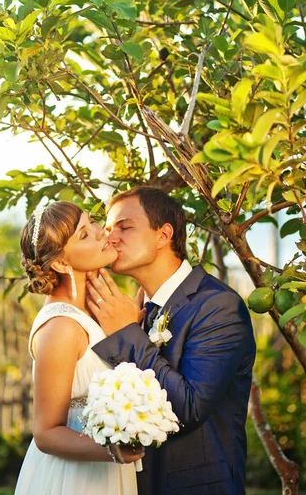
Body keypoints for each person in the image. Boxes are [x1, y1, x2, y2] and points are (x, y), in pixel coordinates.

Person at [86, 186, 256, 495]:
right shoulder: (142, 310)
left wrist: (126, 335)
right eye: (108, 230)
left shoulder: (217, 306)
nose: (110, 238)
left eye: (124, 227)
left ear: (164, 234)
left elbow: (188, 407)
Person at [14, 201, 142, 495]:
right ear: (60, 263)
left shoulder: (99, 309)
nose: (101, 233)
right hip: (76, 478)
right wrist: (114, 451)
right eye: (84, 235)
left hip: (109, 474)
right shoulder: (61, 327)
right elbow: (46, 433)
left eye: (92, 223)